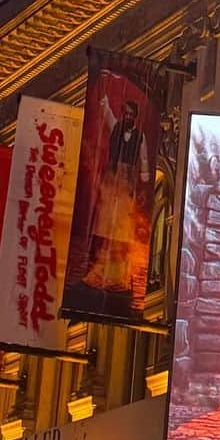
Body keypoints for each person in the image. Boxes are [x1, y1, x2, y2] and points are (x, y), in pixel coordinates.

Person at [82, 94, 153, 296]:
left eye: (132, 114)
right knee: (104, 221)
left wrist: (144, 177)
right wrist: (104, 98)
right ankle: (95, 270)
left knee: (122, 225)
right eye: (126, 113)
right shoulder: (115, 126)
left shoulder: (140, 137)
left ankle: (118, 275)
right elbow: (106, 113)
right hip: (111, 177)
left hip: (127, 179)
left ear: (136, 117)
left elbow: (144, 158)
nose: (128, 117)